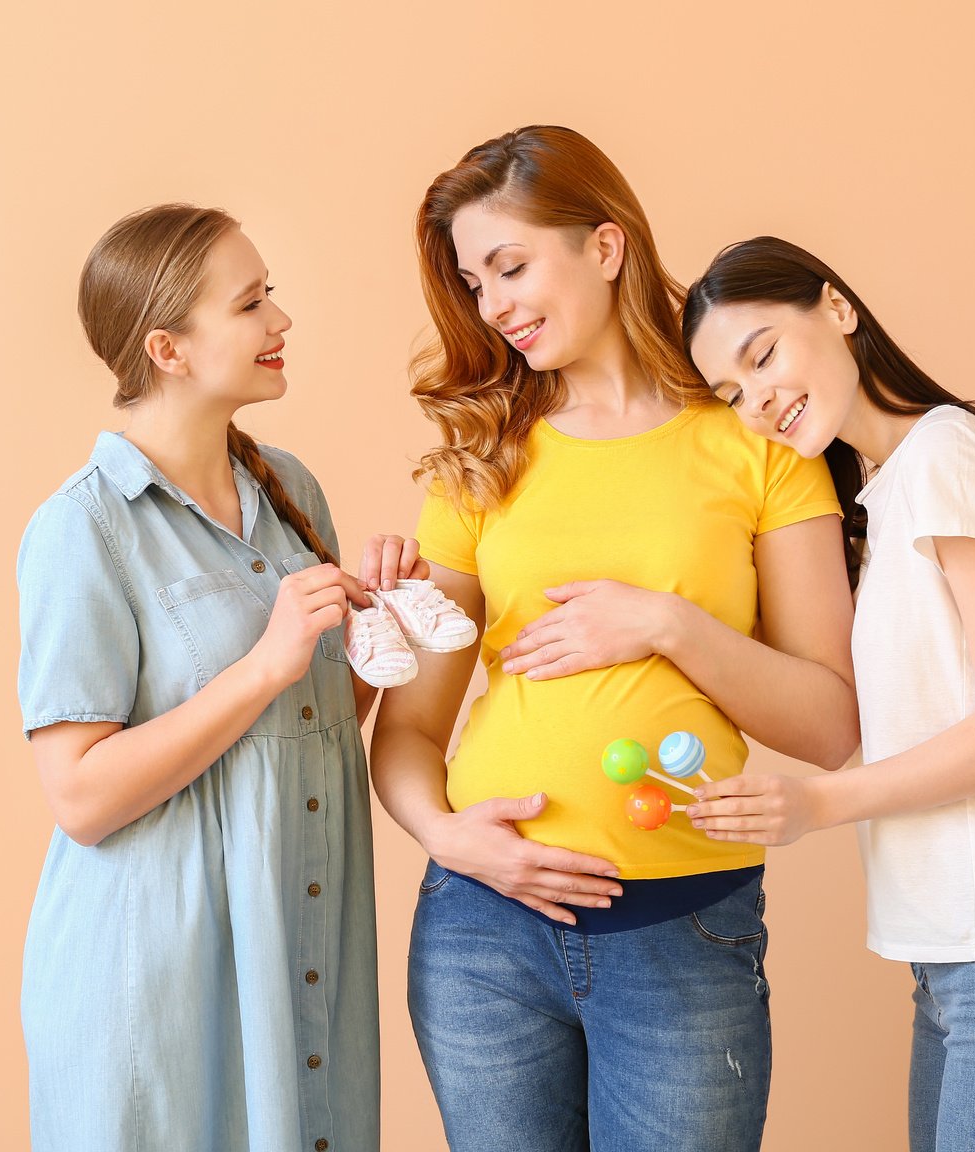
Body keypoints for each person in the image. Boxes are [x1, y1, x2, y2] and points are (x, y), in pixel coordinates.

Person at [367, 126, 860, 1151]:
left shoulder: (754, 440)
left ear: (605, 245)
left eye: (510, 265)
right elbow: (410, 732)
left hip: (680, 930)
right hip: (482, 933)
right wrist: (449, 838)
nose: (493, 304)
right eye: (473, 282)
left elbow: (829, 724)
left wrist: (665, 623)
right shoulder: (483, 454)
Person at [681, 235, 975, 1152]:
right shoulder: (885, 493)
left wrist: (817, 802)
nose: (759, 401)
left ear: (838, 309)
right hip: (970, 968)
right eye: (732, 394)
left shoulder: (947, 458)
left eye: (762, 354)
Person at [15, 204, 386, 1151]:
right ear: (168, 349)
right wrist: (264, 664)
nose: (282, 323)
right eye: (252, 303)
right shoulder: (82, 529)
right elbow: (82, 798)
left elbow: (317, 723)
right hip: (158, 984)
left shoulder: (291, 491)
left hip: (300, 949)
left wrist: (375, 633)